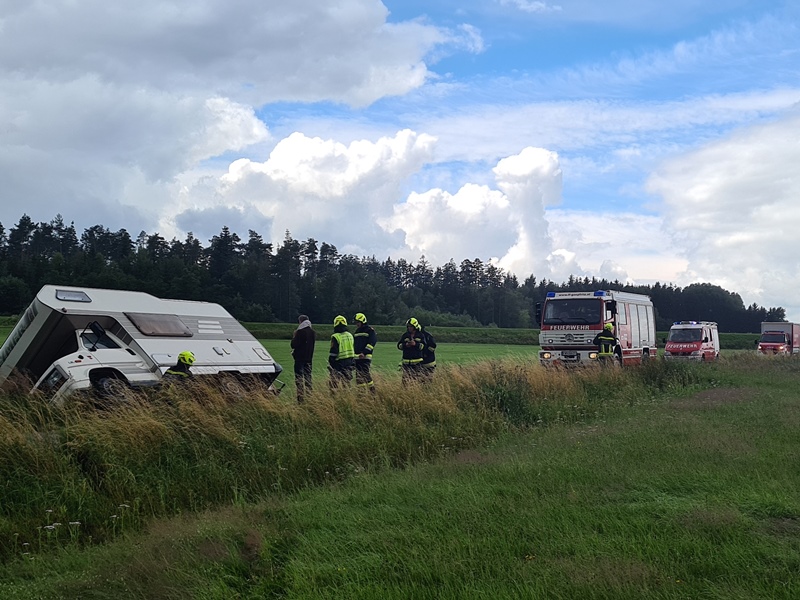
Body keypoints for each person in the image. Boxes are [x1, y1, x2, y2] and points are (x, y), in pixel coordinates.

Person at [290, 314, 316, 403]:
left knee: (299, 379)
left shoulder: (300, 332)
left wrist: (294, 336)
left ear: (300, 321)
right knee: (308, 379)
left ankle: (300, 399)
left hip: (299, 359)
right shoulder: (312, 332)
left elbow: (293, 345)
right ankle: (310, 397)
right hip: (309, 358)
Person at [329, 315, 355, 389]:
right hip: (349, 361)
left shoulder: (335, 336)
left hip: (338, 363)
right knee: (346, 383)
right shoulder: (350, 335)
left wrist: (331, 363)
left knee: (334, 383)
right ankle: (348, 395)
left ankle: (334, 395)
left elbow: (333, 352)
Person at [353, 312, 377, 393]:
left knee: (365, 374)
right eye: (356, 322)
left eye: (358, 322)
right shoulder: (357, 331)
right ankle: (361, 394)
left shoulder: (370, 330)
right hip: (357, 357)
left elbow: (372, 343)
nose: (356, 324)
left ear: (362, 321)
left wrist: (364, 352)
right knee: (358, 376)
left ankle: (372, 392)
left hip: (366, 356)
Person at [397, 317, 426, 383]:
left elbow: (423, 346)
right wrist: (405, 345)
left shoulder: (420, 335)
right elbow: (399, 346)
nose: (409, 328)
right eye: (408, 326)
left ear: (415, 327)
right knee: (405, 382)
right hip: (406, 363)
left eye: (411, 326)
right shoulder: (405, 335)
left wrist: (415, 344)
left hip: (417, 363)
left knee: (417, 381)